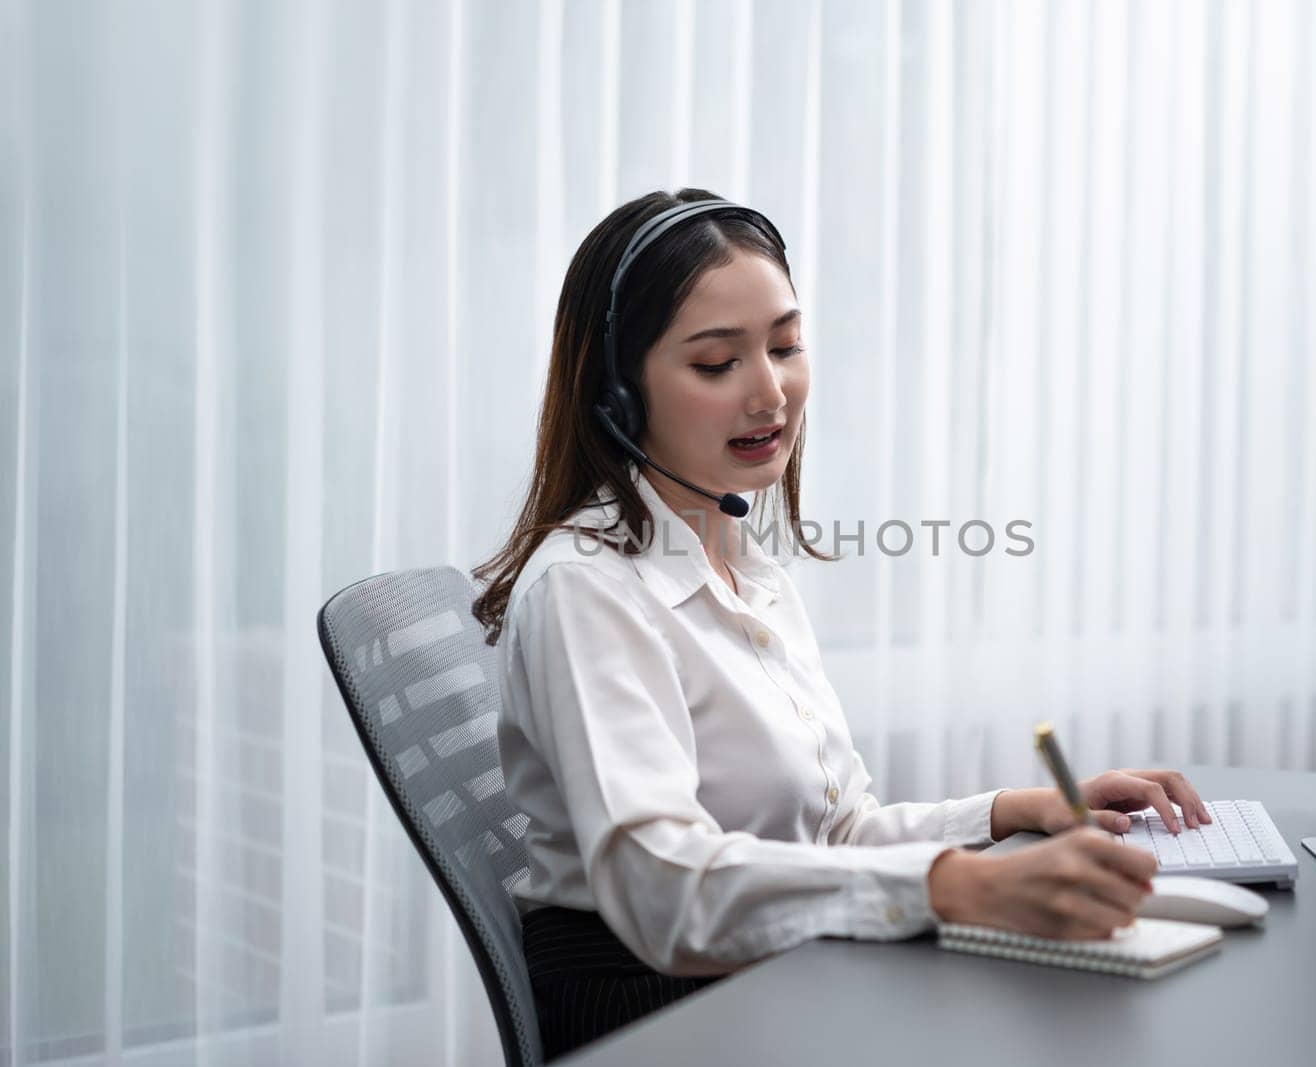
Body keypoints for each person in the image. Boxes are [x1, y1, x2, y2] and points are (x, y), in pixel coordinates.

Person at [471, 188, 1208, 1056]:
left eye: (785, 346)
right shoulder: (588, 589)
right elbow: (661, 888)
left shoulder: (749, 569)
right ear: (619, 397)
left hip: (757, 969)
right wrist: (959, 888)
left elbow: (838, 836)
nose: (770, 392)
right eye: (716, 364)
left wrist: (1015, 811)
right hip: (655, 1010)